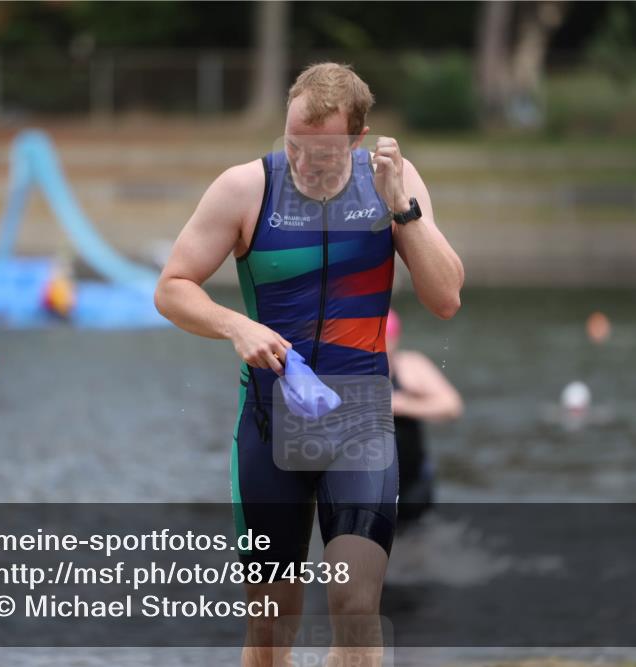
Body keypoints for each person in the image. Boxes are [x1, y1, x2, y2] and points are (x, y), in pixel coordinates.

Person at [154, 62, 463, 667]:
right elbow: (172, 287)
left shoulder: (391, 183)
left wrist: (403, 207)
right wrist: (236, 325)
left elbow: (446, 297)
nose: (302, 161)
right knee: (271, 630)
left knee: (354, 606)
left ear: (356, 138)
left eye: (320, 152)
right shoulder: (247, 188)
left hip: (362, 426)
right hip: (271, 425)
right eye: (293, 143)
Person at [385, 309, 464, 523]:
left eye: (386, 340)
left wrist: (400, 404)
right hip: (367, 482)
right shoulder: (352, 371)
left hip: (412, 483)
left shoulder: (410, 366)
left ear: (395, 339)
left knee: (416, 540)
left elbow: (452, 405)